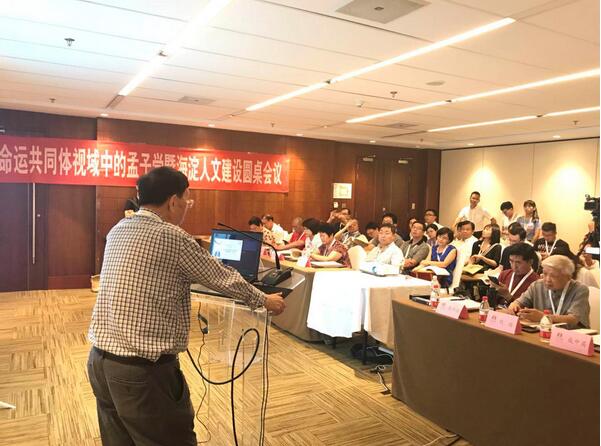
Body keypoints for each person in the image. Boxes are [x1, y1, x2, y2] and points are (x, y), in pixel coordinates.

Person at [87, 167, 285, 446]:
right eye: (187, 201)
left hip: (99, 362)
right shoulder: (172, 236)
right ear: (173, 201)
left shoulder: (118, 229)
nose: (186, 208)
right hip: (142, 373)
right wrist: (264, 299)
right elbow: (222, 277)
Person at [508, 255, 590, 328]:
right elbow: (518, 302)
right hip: (541, 332)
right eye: (545, 274)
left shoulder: (580, 290)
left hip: (570, 334)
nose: (547, 279)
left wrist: (544, 317)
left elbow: (574, 319)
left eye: (553, 276)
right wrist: (515, 306)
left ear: (568, 277)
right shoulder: (537, 285)